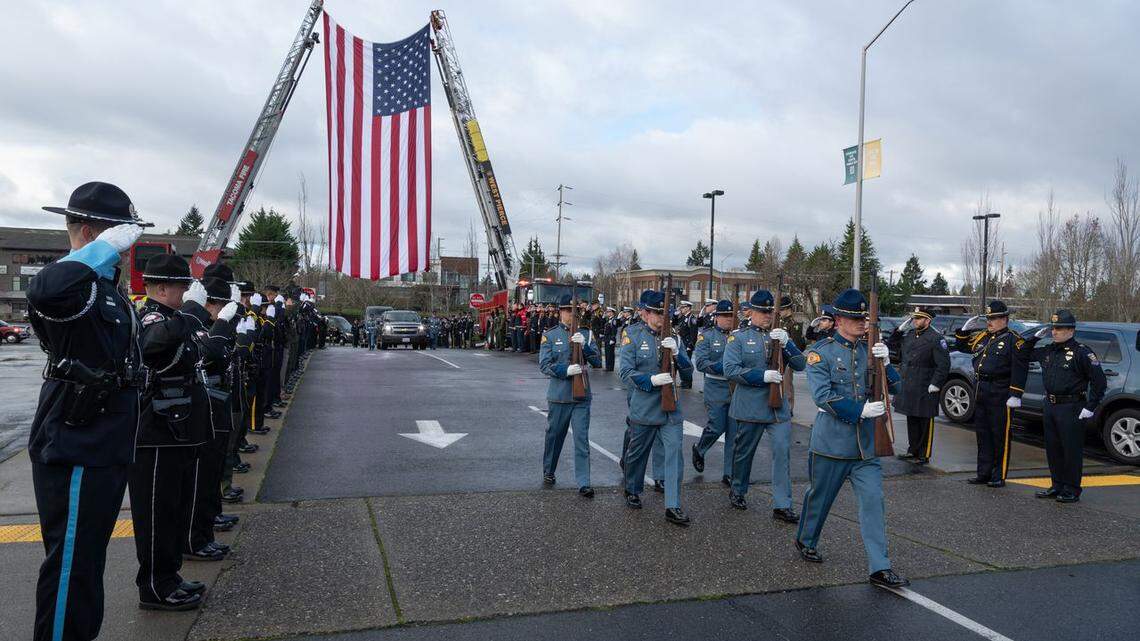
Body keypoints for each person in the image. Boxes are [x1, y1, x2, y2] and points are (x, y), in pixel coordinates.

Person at [27, 182, 150, 640]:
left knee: (86, 565)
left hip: (105, 440)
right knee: (71, 570)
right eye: (121, 232)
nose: (126, 244)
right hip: (78, 440)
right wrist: (99, 248)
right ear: (87, 229)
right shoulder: (71, 283)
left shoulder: (103, 287)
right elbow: (46, 290)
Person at [795, 288, 908, 588]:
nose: (862, 324)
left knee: (874, 501)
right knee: (820, 498)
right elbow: (822, 397)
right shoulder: (822, 352)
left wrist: (887, 363)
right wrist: (860, 410)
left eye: (864, 319)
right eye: (856, 319)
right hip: (832, 443)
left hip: (865, 447)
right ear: (839, 319)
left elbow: (896, 388)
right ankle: (807, 539)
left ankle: (879, 566)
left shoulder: (870, 349)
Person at [132, 254, 215, 610]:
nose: (185, 293)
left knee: (175, 508)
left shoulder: (173, 318)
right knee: (156, 512)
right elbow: (152, 345)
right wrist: (193, 312)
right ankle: (153, 585)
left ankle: (169, 575)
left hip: (178, 429)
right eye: (181, 287)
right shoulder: (153, 316)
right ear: (162, 287)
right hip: (157, 432)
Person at [723, 290, 807, 520]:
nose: (767, 316)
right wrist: (762, 376)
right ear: (751, 311)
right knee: (744, 453)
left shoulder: (779, 336)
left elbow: (801, 365)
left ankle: (782, 504)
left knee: (782, 451)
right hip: (750, 405)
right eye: (762, 312)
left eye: (770, 312)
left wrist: (788, 343)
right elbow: (730, 369)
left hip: (777, 407)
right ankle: (738, 490)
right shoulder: (738, 337)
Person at [176, 277, 240, 562]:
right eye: (220, 305)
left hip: (214, 403)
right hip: (200, 411)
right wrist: (222, 325)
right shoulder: (198, 328)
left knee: (211, 471)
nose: (222, 310)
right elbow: (211, 354)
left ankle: (206, 529)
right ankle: (195, 538)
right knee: (200, 479)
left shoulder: (206, 328)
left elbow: (224, 355)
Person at [618, 290, 694, 526]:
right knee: (638, 454)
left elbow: (688, 371)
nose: (663, 317)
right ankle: (632, 489)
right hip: (645, 406)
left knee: (674, 455)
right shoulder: (632, 335)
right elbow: (626, 373)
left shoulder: (674, 337)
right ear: (645, 313)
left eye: (666, 313)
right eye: (658, 312)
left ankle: (673, 505)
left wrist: (678, 354)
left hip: (670, 409)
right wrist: (650, 380)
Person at [1015, 310, 1107, 503]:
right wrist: (1032, 338)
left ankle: (1072, 488)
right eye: (1053, 328)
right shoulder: (1049, 350)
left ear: (1071, 330)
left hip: (1071, 406)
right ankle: (1056, 485)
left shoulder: (1082, 352)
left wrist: (1091, 406)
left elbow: (1099, 381)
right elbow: (1022, 354)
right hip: (1050, 405)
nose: (1055, 332)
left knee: (1070, 449)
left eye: (1059, 328)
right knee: (1053, 448)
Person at [953, 300, 1028, 487]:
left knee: (999, 435)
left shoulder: (1014, 340)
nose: (989, 322)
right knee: (983, 434)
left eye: (993, 319)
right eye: (988, 318)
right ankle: (983, 473)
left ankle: (998, 475)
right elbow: (964, 347)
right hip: (981, 389)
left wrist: (1015, 394)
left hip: (1000, 391)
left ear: (1004, 319)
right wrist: (964, 330)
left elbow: (1020, 368)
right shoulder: (984, 337)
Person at [538, 295, 602, 496]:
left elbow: (598, 362)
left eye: (575, 311)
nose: (571, 315)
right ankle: (549, 469)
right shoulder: (550, 335)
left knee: (582, 440)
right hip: (559, 396)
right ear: (560, 312)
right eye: (567, 311)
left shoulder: (586, 334)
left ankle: (584, 482)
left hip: (581, 396)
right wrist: (566, 370)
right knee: (555, 436)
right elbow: (545, 365)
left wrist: (585, 346)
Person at [888, 306, 950, 464]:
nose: (915, 321)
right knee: (912, 419)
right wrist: (899, 330)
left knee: (924, 420)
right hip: (910, 382)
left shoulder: (936, 338)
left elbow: (943, 364)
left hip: (925, 384)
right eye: (914, 318)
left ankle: (923, 454)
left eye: (918, 318)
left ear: (927, 320)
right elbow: (892, 345)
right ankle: (912, 450)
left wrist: (936, 383)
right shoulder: (910, 335)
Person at [690, 299, 737, 487]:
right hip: (716, 386)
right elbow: (700, 363)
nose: (728, 319)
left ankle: (729, 473)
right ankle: (700, 449)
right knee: (717, 426)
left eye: (731, 316)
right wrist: (723, 366)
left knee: (734, 433)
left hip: (735, 388)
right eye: (724, 316)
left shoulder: (739, 336)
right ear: (716, 317)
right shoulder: (707, 336)